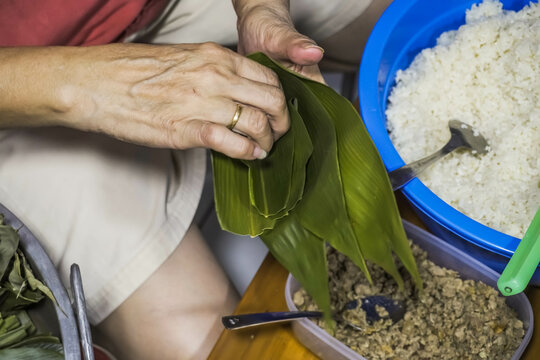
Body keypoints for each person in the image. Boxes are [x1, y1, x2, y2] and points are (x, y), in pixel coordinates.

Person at [0, 0, 391, 359]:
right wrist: (92, 85)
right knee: (214, 340)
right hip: (24, 87)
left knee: (414, 20)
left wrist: (260, 10)